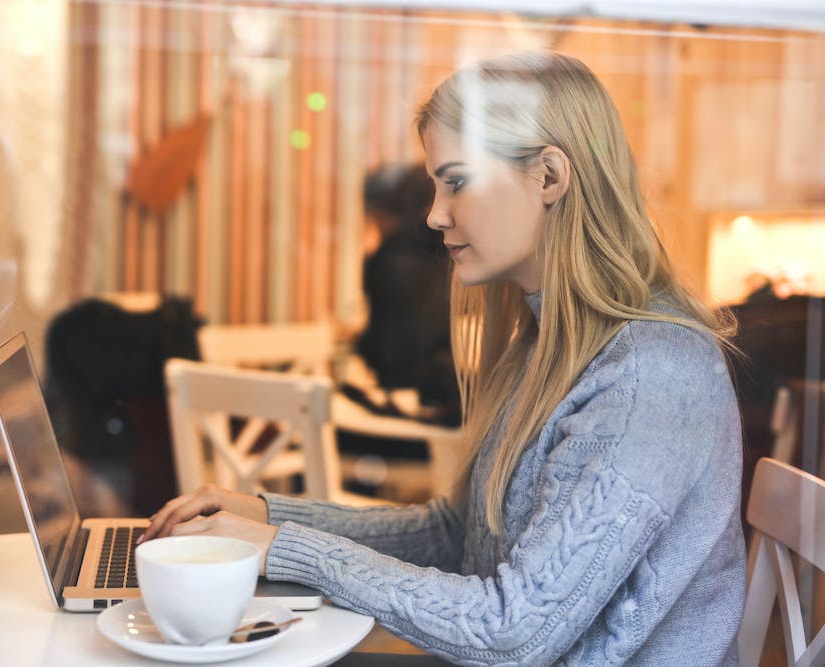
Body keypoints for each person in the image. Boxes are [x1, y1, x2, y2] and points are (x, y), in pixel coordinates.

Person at [139, 51, 746, 666]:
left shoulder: (650, 374)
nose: (434, 214)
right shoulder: (546, 343)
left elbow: (512, 632)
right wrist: (269, 518)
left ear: (549, 177)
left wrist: (285, 549)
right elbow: (457, 536)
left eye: (456, 181)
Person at [350, 163, 460, 425]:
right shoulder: (447, 258)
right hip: (441, 403)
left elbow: (387, 349)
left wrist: (358, 343)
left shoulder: (385, 260)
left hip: (402, 413)